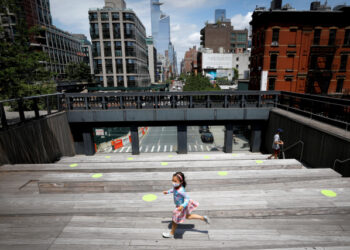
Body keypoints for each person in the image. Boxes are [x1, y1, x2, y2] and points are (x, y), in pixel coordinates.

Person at [162, 172, 210, 238]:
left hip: (181, 207)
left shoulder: (181, 190)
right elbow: (173, 190)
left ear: (181, 182)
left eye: (175, 181)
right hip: (181, 206)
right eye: (172, 180)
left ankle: (171, 233)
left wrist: (182, 206)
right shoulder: (176, 187)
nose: (173, 182)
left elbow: (187, 198)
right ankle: (203, 218)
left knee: (174, 219)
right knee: (188, 216)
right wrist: (167, 192)